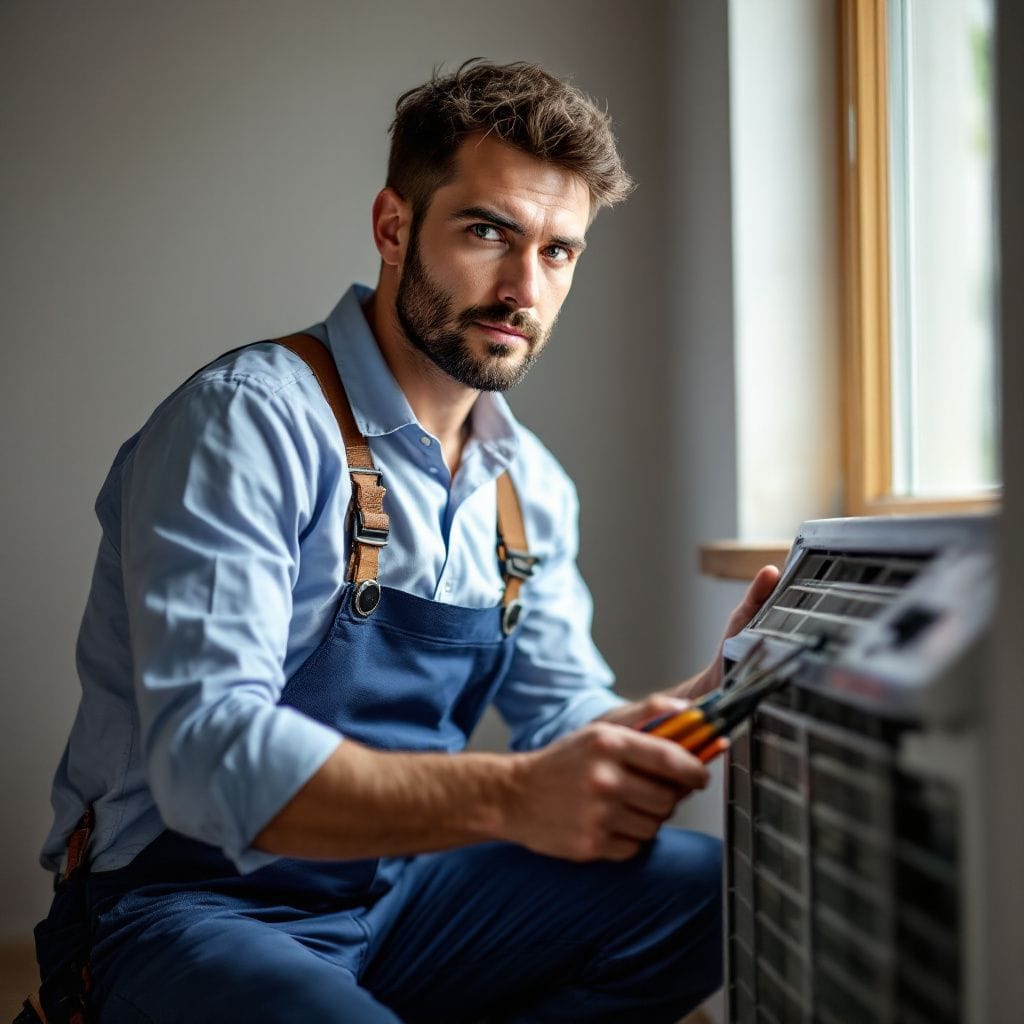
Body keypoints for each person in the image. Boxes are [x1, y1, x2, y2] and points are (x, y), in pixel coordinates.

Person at [32, 60, 778, 1024]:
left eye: (559, 252)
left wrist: (701, 701)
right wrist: (511, 798)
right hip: (179, 908)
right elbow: (209, 759)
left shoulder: (527, 486)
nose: (523, 287)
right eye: (487, 232)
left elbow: (562, 724)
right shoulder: (247, 423)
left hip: (393, 896)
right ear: (394, 227)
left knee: (707, 895)